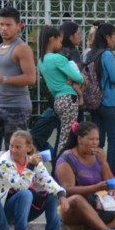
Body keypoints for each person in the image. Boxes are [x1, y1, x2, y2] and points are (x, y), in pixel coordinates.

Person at [0, 7, 37, 170]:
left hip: (17, 106)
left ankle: (24, 180)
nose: (4, 28)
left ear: (19, 26)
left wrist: (3, 79)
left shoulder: (22, 48)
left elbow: (31, 78)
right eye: (1, 24)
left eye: (8, 25)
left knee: (17, 151)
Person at [0, 130, 72, 230]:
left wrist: (61, 194)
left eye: (18, 147)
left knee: (51, 195)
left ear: (28, 148)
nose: (13, 150)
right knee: (26, 194)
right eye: (11, 146)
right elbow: (20, 186)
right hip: (3, 212)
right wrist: (31, 166)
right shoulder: (4, 163)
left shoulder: (32, 161)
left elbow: (47, 180)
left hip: (23, 209)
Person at [54, 121, 115, 230]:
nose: (95, 143)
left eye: (97, 139)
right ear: (80, 139)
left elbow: (111, 185)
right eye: (91, 139)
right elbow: (67, 190)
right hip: (71, 209)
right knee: (77, 199)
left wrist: (104, 163)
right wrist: (95, 187)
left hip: (97, 202)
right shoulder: (66, 159)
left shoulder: (97, 156)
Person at [38, 25, 84, 156]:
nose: (60, 44)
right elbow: (79, 78)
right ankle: (62, 167)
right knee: (67, 138)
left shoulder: (41, 61)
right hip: (68, 98)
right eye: (59, 40)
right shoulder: (57, 58)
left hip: (57, 100)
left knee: (64, 135)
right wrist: (71, 79)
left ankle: (60, 165)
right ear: (52, 39)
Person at [84, 22, 115, 173]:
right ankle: (110, 171)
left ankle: (96, 170)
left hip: (94, 102)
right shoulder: (107, 54)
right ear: (107, 37)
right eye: (114, 37)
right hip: (109, 101)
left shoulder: (90, 53)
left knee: (97, 140)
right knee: (114, 139)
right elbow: (113, 77)